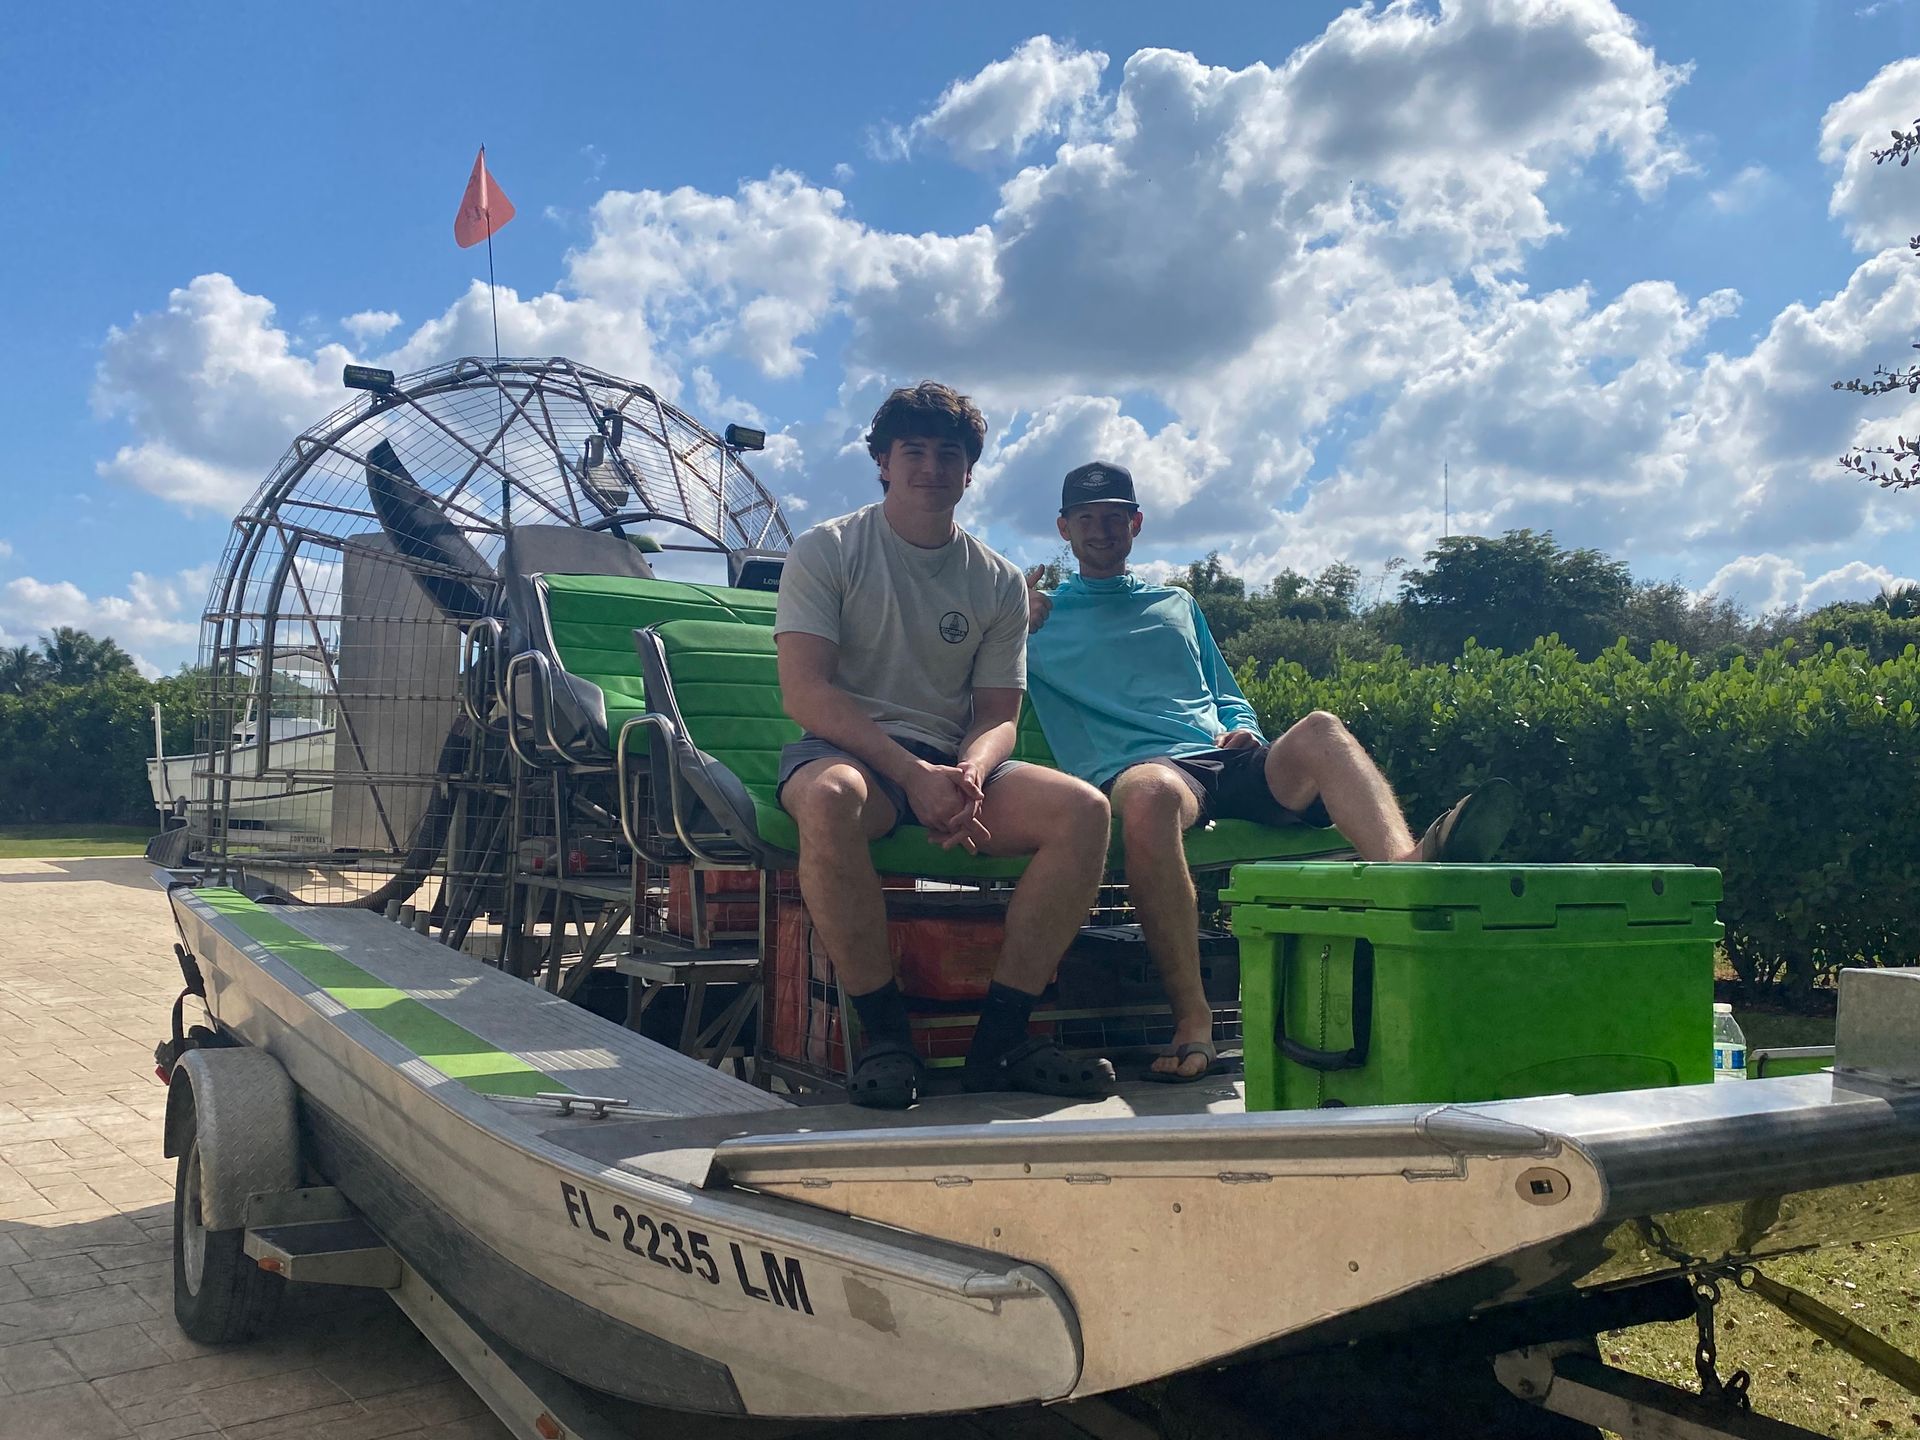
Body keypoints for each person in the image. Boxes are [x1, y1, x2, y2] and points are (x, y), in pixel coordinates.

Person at [1026, 461, 1517, 1082]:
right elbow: (956, 668)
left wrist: (1247, 729)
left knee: (1320, 728)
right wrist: (1006, 617)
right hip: (1143, 770)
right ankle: (1193, 1024)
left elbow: (1224, 692)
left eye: (1116, 516)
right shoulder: (1035, 617)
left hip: (1223, 758)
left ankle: (1408, 874)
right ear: (1064, 529)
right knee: (1150, 795)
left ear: (1137, 524)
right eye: (1088, 519)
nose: (1103, 530)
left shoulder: (1177, 603)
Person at [774, 385, 1119, 1109]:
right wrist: (913, 774)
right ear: (882, 462)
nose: (931, 467)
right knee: (829, 799)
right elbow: (807, 694)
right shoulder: (827, 549)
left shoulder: (994, 578)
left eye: (949, 454)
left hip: (952, 761)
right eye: (915, 452)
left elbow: (999, 714)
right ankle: (887, 1039)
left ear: (969, 472)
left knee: (1084, 810)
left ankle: (1000, 1042)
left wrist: (966, 774)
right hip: (852, 755)